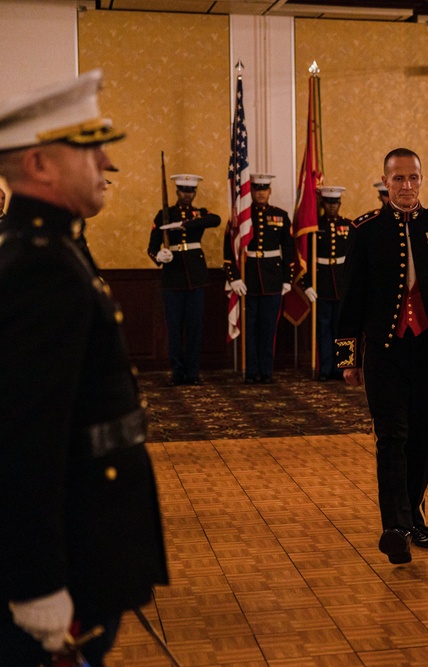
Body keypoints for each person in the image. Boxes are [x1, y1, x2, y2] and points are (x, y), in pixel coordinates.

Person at [0, 69, 168, 666]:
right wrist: (37, 585)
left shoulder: (58, 248)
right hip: (67, 556)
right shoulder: (40, 267)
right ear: (41, 165)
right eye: (89, 146)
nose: (104, 161)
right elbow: (22, 443)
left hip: (88, 534)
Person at [335, 148, 428, 564]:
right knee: (392, 438)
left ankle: (414, 514)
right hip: (384, 352)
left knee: (425, 437)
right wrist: (348, 355)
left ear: (422, 180)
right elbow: (350, 298)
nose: (406, 186)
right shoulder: (365, 231)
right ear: (386, 183)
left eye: (413, 178)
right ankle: (395, 527)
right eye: (398, 179)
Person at [146, 173, 221, 386]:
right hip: (173, 277)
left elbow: (215, 220)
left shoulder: (201, 214)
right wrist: (159, 256)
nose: (187, 195)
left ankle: (193, 372)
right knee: (175, 327)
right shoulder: (164, 215)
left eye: (191, 191)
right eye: (183, 191)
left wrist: (184, 224)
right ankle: (177, 371)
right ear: (177, 192)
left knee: (195, 327)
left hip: (196, 277)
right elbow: (152, 246)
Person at [224, 174, 294, 384]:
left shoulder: (280, 216)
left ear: (270, 191)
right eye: (257, 189)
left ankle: (266, 371)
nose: (261, 192)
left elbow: (288, 248)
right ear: (251, 192)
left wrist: (287, 279)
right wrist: (234, 278)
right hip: (249, 280)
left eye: (264, 188)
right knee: (249, 329)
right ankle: (250, 370)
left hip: (273, 279)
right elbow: (229, 249)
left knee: (267, 328)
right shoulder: (242, 218)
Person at [300, 185, 350, 381]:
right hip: (322, 285)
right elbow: (306, 258)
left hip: (342, 284)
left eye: (335, 203)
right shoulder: (313, 227)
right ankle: (325, 368)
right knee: (324, 328)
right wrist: (307, 283)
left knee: (343, 329)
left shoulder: (348, 225)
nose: (332, 207)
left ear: (339, 204)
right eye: (328, 203)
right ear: (322, 204)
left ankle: (343, 368)